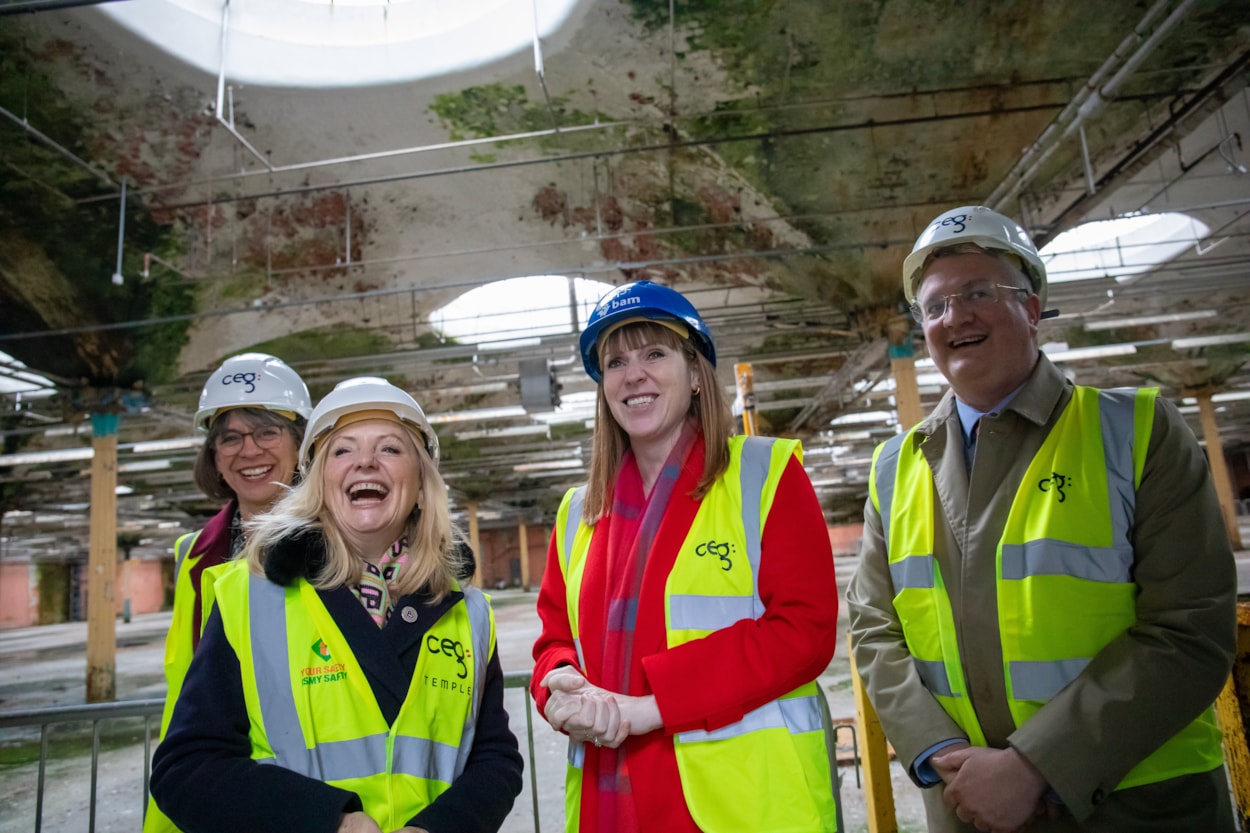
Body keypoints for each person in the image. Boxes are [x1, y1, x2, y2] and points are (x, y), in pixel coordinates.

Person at [846, 205, 1237, 833]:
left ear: (1031, 309)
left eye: (978, 292)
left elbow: (1190, 629)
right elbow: (874, 627)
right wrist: (940, 754)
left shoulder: (1135, 433)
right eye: (936, 306)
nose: (956, 317)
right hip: (966, 806)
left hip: (1138, 808)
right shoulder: (895, 466)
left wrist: (1036, 766)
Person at [531, 280, 840, 833]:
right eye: (616, 361)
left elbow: (805, 630)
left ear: (696, 373)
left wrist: (652, 706)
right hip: (613, 803)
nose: (634, 374)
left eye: (655, 353)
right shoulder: (578, 512)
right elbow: (555, 638)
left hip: (740, 805)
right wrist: (557, 685)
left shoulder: (764, 476)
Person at [151, 377, 523, 833]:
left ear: (422, 485)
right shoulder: (248, 598)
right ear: (318, 485)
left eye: (390, 449)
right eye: (343, 450)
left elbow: (495, 758)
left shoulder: (469, 612)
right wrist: (332, 821)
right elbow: (186, 768)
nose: (365, 461)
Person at [144, 352, 311, 833]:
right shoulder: (193, 556)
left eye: (266, 432)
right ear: (214, 456)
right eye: (230, 437)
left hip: (312, 789)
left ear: (301, 443)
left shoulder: (346, 540)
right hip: (218, 784)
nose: (248, 450)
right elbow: (187, 687)